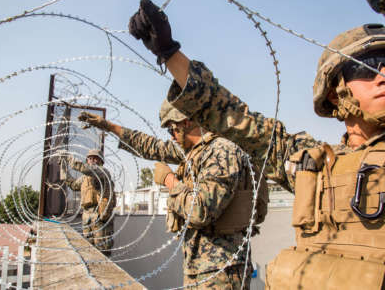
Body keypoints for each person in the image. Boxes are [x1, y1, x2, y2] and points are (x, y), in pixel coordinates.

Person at [128, 0, 385, 289]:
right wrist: (169, 52)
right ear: (335, 92)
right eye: (369, 66)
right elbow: (234, 117)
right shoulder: (311, 163)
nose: (382, 76)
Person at [78, 100, 269, 289]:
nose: (171, 137)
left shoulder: (221, 151)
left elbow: (200, 210)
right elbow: (151, 146)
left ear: (186, 122)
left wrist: (169, 180)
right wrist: (110, 127)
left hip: (222, 268)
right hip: (200, 264)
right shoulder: (195, 151)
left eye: (172, 130)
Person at [60, 149, 116, 256]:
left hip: (100, 217)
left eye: (95, 158)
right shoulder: (85, 178)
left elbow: (89, 169)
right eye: (90, 158)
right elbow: (73, 184)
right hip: (87, 217)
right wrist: (63, 166)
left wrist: (69, 157)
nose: (92, 160)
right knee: (89, 250)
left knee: (102, 251)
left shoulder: (103, 173)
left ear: (100, 161)